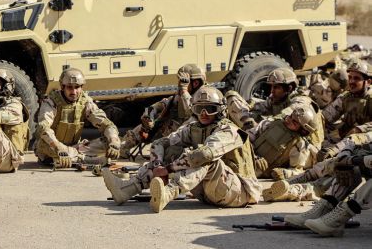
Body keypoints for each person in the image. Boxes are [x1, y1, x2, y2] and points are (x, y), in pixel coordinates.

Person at [102, 86, 261, 212]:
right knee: (171, 151)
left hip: (240, 192)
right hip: (210, 192)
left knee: (203, 159)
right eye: (199, 109)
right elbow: (161, 143)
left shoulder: (230, 130)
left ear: (221, 110)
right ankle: (126, 189)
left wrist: (168, 169)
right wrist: (158, 165)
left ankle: (167, 193)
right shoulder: (193, 128)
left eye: (210, 109)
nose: (204, 114)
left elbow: (205, 154)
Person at [35, 68, 120, 167]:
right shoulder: (51, 102)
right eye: (70, 87)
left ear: (82, 87)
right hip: (53, 147)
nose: (74, 92)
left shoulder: (85, 101)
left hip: (75, 148)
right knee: (47, 144)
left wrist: (113, 141)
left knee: (108, 142)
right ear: (63, 87)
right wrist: (59, 147)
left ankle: (77, 157)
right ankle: (88, 160)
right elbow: (43, 128)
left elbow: (106, 124)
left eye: (77, 87)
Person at [120, 64, 205, 158]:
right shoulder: (180, 95)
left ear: (195, 83)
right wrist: (148, 115)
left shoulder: (205, 96)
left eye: (183, 81)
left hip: (192, 137)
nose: (179, 84)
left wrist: (184, 91)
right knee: (147, 125)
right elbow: (160, 105)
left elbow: (193, 112)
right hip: (176, 133)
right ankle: (123, 147)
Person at [248, 104, 319, 179]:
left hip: (259, 173)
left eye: (294, 122)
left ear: (303, 130)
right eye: (291, 116)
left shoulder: (299, 145)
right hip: (248, 157)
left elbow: (298, 170)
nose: (289, 120)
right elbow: (247, 138)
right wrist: (253, 155)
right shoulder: (271, 123)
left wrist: (284, 173)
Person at [320, 58, 372, 150]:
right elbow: (325, 117)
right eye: (350, 77)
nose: (351, 81)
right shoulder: (346, 97)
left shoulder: (370, 98)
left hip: (365, 140)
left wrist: (360, 129)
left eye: (356, 78)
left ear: (368, 82)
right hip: (346, 137)